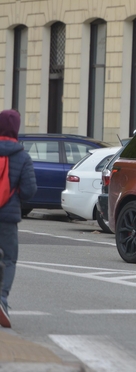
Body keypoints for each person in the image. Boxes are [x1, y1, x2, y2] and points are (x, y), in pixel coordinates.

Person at [0, 110, 37, 328]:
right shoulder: (22, 157)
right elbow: (30, 190)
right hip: (8, 218)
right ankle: (2, 299)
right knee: (9, 259)